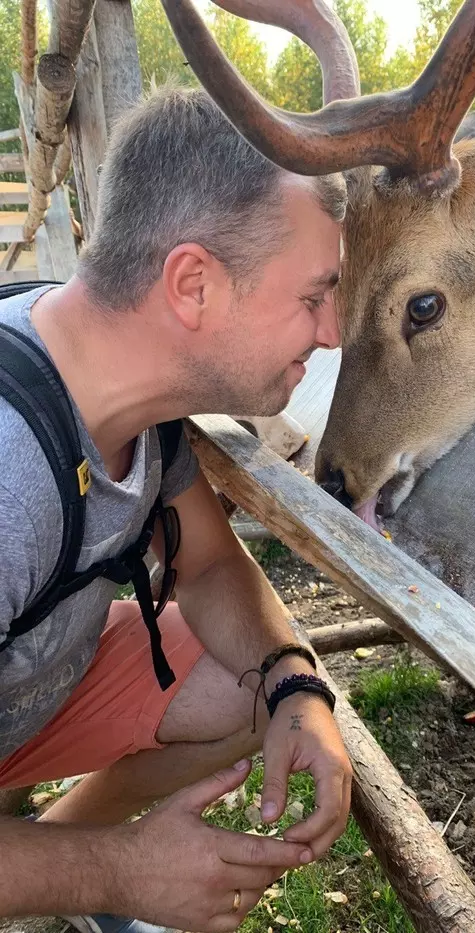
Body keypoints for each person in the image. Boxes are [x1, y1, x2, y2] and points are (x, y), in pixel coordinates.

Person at [0, 85, 352, 933]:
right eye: (313, 295)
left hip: (29, 694)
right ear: (192, 284)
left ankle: (39, 863)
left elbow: (209, 562)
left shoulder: (141, 402)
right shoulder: (7, 482)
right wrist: (124, 868)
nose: (334, 331)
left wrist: (295, 685)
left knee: (245, 684)